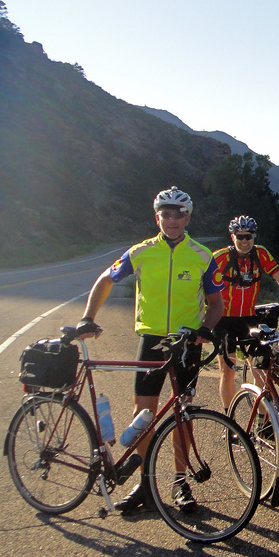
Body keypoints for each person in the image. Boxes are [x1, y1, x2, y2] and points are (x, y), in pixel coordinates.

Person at [77, 186, 224, 513]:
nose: (173, 220)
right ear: (157, 217)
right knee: (143, 415)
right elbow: (105, 280)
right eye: (166, 214)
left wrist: (205, 329)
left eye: (179, 214)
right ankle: (144, 483)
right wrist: (88, 317)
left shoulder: (203, 256)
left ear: (188, 218)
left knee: (182, 414)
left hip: (187, 344)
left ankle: (179, 482)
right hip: (152, 342)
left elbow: (217, 304)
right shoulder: (140, 252)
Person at [212, 215, 279, 411]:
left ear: (254, 236)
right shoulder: (220, 257)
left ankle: (262, 421)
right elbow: (200, 284)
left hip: (249, 319)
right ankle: (229, 419)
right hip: (223, 320)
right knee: (228, 371)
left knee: (260, 370)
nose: (244, 241)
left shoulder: (261, 254)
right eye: (240, 237)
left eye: (248, 236)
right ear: (233, 237)